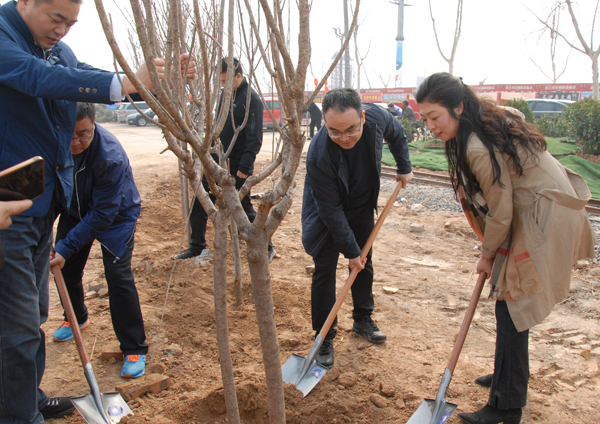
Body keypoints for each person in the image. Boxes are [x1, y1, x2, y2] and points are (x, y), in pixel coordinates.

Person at [0, 0, 194, 421]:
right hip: (7, 213)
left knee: (31, 319)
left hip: (41, 212)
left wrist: (153, 82)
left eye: (72, 23)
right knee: (13, 330)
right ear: (27, 2)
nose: (64, 31)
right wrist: (121, 81)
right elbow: (40, 79)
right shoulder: (5, 39)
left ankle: (26, 398)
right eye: (57, 19)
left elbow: (78, 73)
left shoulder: (56, 52)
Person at [416, 72, 596, 424]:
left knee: (512, 308)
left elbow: (501, 211)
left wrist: (486, 256)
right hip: (538, 209)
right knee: (508, 305)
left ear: (458, 107)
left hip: (544, 216)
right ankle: (505, 378)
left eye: (434, 117)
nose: (430, 126)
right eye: (423, 118)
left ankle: (506, 407)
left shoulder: (476, 146)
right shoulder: (481, 118)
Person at [302, 88, 413, 368]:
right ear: (324, 124)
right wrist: (349, 250)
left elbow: (397, 133)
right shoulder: (318, 153)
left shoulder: (377, 118)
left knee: (364, 262)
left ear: (362, 117)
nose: (344, 138)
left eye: (351, 129)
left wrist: (404, 166)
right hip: (327, 211)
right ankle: (324, 334)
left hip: (361, 203)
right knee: (325, 269)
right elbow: (330, 210)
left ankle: (363, 319)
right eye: (334, 131)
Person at [49, 103, 148, 379]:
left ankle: (134, 347)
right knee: (65, 268)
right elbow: (51, 190)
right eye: (70, 134)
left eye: (84, 134)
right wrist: (43, 230)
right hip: (74, 209)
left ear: (94, 123)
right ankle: (77, 317)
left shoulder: (109, 156)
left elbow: (102, 215)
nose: (76, 142)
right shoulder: (55, 141)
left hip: (116, 216)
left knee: (117, 276)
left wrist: (67, 246)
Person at [178, 58, 275, 262]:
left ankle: (267, 247)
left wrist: (245, 167)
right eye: (221, 81)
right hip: (217, 161)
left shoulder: (251, 100)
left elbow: (254, 137)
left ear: (238, 76)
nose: (222, 85)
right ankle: (197, 247)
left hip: (238, 165)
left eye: (225, 81)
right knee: (200, 200)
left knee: (243, 208)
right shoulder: (225, 95)